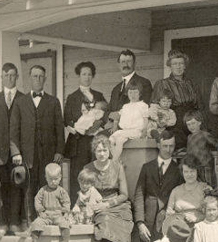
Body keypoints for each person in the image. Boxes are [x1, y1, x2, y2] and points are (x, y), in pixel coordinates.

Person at [0, 62, 31, 237]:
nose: (10, 78)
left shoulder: (24, 99)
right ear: (2, 77)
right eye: (7, 75)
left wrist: (21, 151)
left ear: (17, 77)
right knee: (1, 188)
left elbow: (26, 128)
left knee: (17, 187)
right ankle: (2, 224)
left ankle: (16, 224)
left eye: (13, 75)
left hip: (18, 154)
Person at [84, 133, 134, 242]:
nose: (102, 154)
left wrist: (109, 203)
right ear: (94, 152)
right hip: (98, 205)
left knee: (124, 234)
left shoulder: (117, 167)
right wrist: (95, 205)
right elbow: (84, 191)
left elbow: (124, 194)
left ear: (109, 151)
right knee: (104, 227)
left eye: (104, 150)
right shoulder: (88, 168)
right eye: (98, 151)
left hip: (118, 204)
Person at [133, 131, 184, 242]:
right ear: (158, 145)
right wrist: (140, 222)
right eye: (165, 146)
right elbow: (138, 195)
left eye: (171, 146)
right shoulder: (147, 167)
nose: (168, 150)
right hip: (147, 225)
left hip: (167, 224)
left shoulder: (179, 170)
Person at [64, 61, 107, 203]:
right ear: (79, 76)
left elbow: (105, 115)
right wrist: (81, 128)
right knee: (79, 176)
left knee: (95, 174)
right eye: (84, 74)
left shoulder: (99, 96)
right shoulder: (72, 97)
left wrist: (96, 126)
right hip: (78, 142)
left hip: (94, 142)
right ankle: (76, 211)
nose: (87, 77)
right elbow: (67, 119)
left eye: (89, 74)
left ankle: (95, 208)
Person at [26, 64, 65, 219]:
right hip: (28, 155)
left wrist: (59, 151)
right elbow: (16, 129)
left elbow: (59, 129)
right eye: (35, 76)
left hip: (48, 155)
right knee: (30, 188)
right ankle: (31, 221)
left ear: (45, 79)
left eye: (41, 76)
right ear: (30, 78)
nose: (38, 79)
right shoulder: (21, 101)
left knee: (48, 187)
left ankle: (48, 219)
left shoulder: (53, 101)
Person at [152, 49, 200, 149]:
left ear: (185, 66)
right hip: (173, 122)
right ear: (170, 66)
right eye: (175, 64)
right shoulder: (162, 84)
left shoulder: (191, 84)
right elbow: (155, 106)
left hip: (191, 121)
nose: (178, 67)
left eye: (181, 63)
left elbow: (198, 105)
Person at [29, 163, 72, 242]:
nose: (53, 182)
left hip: (58, 215)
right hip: (46, 215)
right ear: (46, 178)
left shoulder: (61, 191)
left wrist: (65, 213)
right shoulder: (43, 190)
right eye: (50, 179)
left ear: (60, 177)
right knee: (36, 223)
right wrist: (41, 211)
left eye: (55, 179)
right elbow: (37, 200)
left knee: (65, 224)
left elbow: (66, 202)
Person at [108, 79, 149, 161]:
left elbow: (145, 119)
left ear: (140, 93)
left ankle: (114, 161)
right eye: (130, 92)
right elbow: (117, 116)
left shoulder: (143, 105)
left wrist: (144, 131)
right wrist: (114, 126)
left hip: (136, 131)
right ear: (127, 93)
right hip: (125, 131)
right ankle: (117, 158)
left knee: (119, 140)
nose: (133, 95)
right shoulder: (125, 106)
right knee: (110, 140)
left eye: (135, 92)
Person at [183, 109, 216, 188]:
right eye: (189, 124)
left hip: (205, 166)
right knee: (197, 185)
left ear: (199, 122)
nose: (191, 126)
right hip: (195, 167)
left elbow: (216, 144)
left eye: (193, 123)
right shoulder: (189, 137)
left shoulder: (205, 134)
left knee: (208, 185)